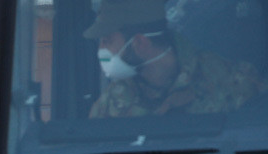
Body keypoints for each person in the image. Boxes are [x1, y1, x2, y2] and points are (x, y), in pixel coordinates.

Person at [85, 0, 264, 118]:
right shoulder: (112, 99)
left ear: (140, 43)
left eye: (107, 41)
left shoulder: (231, 80)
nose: (101, 49)